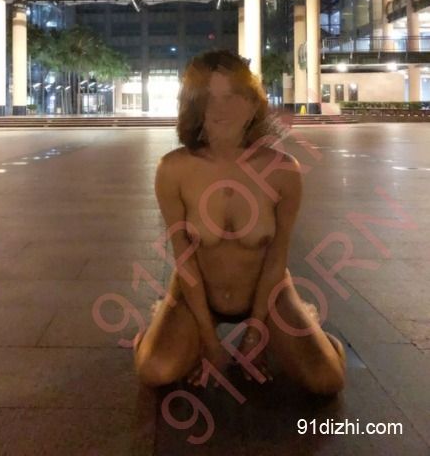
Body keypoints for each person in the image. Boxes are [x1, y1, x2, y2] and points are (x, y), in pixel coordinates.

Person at [133, 49, 346, 395]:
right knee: (155, 370)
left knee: (326, 380)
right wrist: (208, 341)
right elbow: (184, 259)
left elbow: (277, 256)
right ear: (194, 107)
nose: (221, 109)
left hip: (268, 292)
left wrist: (255, 334)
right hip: (196, 292)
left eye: (232, 96)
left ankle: (315, 333)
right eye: (209, 98)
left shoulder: (283, 171)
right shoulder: (173, 170)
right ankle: (161, 326)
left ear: (252, 103)